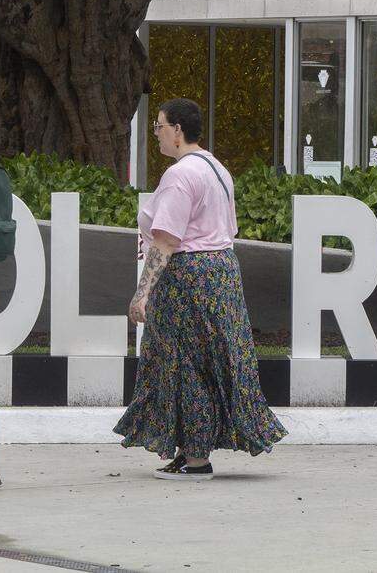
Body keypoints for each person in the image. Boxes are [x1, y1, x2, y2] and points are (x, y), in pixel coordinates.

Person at [115, 98, 286, 480]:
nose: (156, 133)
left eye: (159, 126)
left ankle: (195, 458)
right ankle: (192, 451)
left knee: (183, 363)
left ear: (178, 130)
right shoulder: (217, 168)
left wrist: (141, 293)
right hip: (221, 272)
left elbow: (165, 241)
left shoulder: (179, 176)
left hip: (188, 278)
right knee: (209, 362)